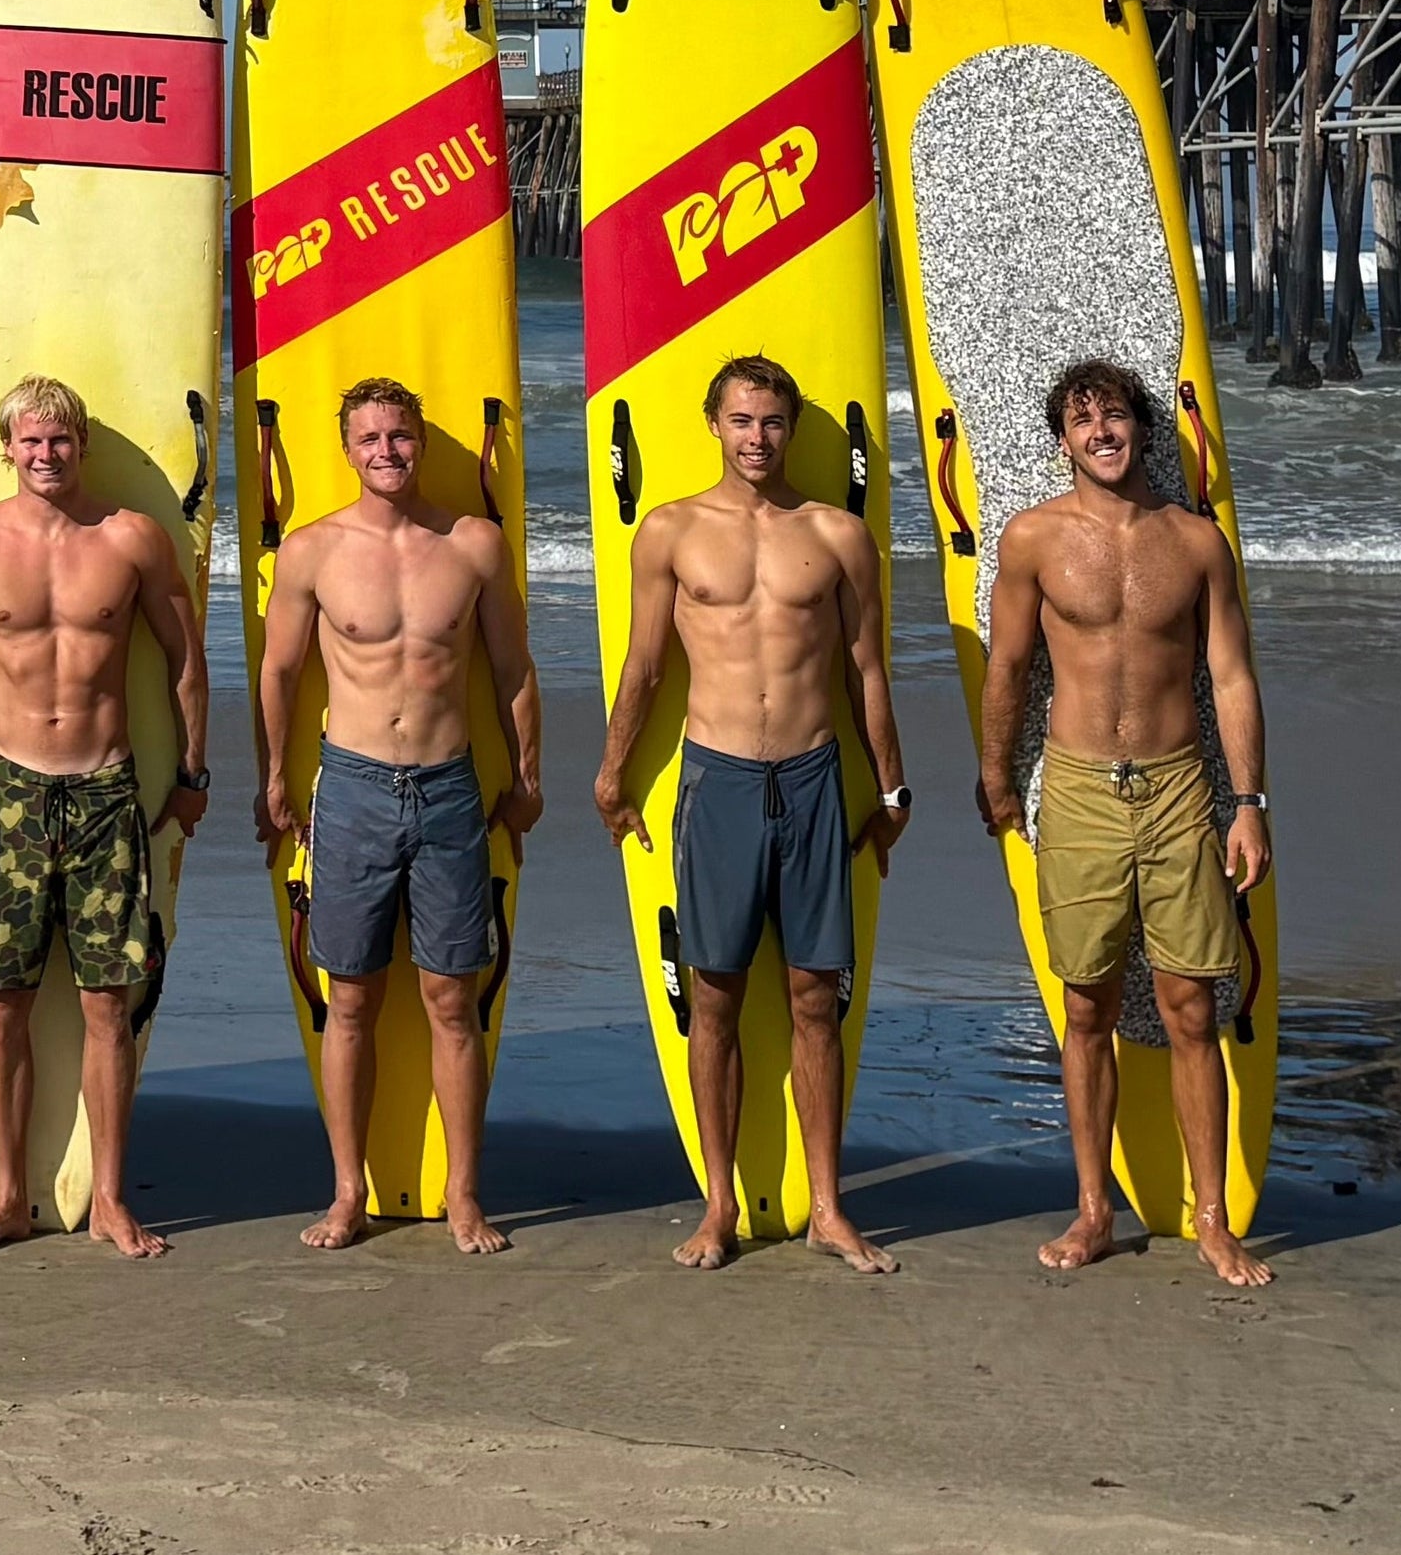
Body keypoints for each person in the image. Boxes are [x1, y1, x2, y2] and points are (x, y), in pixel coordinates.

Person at [591, 354, 908, 1273]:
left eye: (771, 421)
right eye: (741, 420)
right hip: (718, 778)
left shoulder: (838, 534)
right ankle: (719, 1204)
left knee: (816, 998)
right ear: (714, 424)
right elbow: (645, 665)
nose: (757, 438)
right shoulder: (671, 530)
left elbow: (866, 672)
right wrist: (611, 775)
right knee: (715, 997)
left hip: (813, 777)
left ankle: (829, 1208)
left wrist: (892, 791)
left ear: (791, 428)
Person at [977, 358, 1276, 1289]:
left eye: (1113, 415)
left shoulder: (1196, 544)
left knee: (1192, 1007)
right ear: (1063, 441)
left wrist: (1250, 803)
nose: (1101, 432)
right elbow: (1008, 668)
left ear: (1141, 428)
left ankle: (1212, 1219)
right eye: (1082, 421)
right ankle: (1093, 1209)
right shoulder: (1033, 539)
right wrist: (994, 776)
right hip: (1076, 789)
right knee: (1085, 1005)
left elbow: (1231, 676)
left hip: (1181, 788)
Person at [0, 375, 211, 1260]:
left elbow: (185, 659)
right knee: (1, 1003)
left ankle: (109, 1198)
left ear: (81, 446)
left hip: (108, 792)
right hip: (9, 792)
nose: (46, 455)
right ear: (7, 448)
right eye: (31, 441)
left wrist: (194, 771)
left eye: (61, 440)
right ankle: (10, 1198)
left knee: (108, 1004)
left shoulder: (132, 538)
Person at [253, 377, 542, 1255]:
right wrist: (275, 777)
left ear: (419, 440)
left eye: (401, 435)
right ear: (347, 449)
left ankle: (464, 1195)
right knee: (350, 999)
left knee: (453, 1000)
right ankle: (349, 1193)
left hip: (451, 788)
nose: (388, 451)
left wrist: (527, 774)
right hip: (351, 789)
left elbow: (513, 669)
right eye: (371, 438)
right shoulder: (312, 551)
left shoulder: (473, 544)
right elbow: (279, 671)